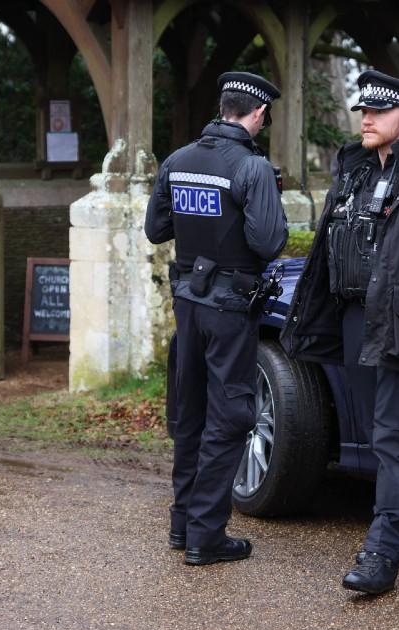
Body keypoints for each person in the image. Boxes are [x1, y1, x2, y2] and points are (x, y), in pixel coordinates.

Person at [280, 70, 399, 595]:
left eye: (378, 112)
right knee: (383, 434)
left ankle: (382, 549)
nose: (365, 118)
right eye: (362, 110)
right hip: (353, 320)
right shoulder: (355, 172)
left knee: (393, 436)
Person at [145, 71, 287, 566]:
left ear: (223, 107)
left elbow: (156, 228)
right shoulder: (252, 169)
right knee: (229, 419)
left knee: (190, 414)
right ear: (258, 114)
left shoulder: (179, 160)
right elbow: (269, 242)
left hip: (187, 302)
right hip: (229, 308)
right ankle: (207, 535)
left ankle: (182, 527)